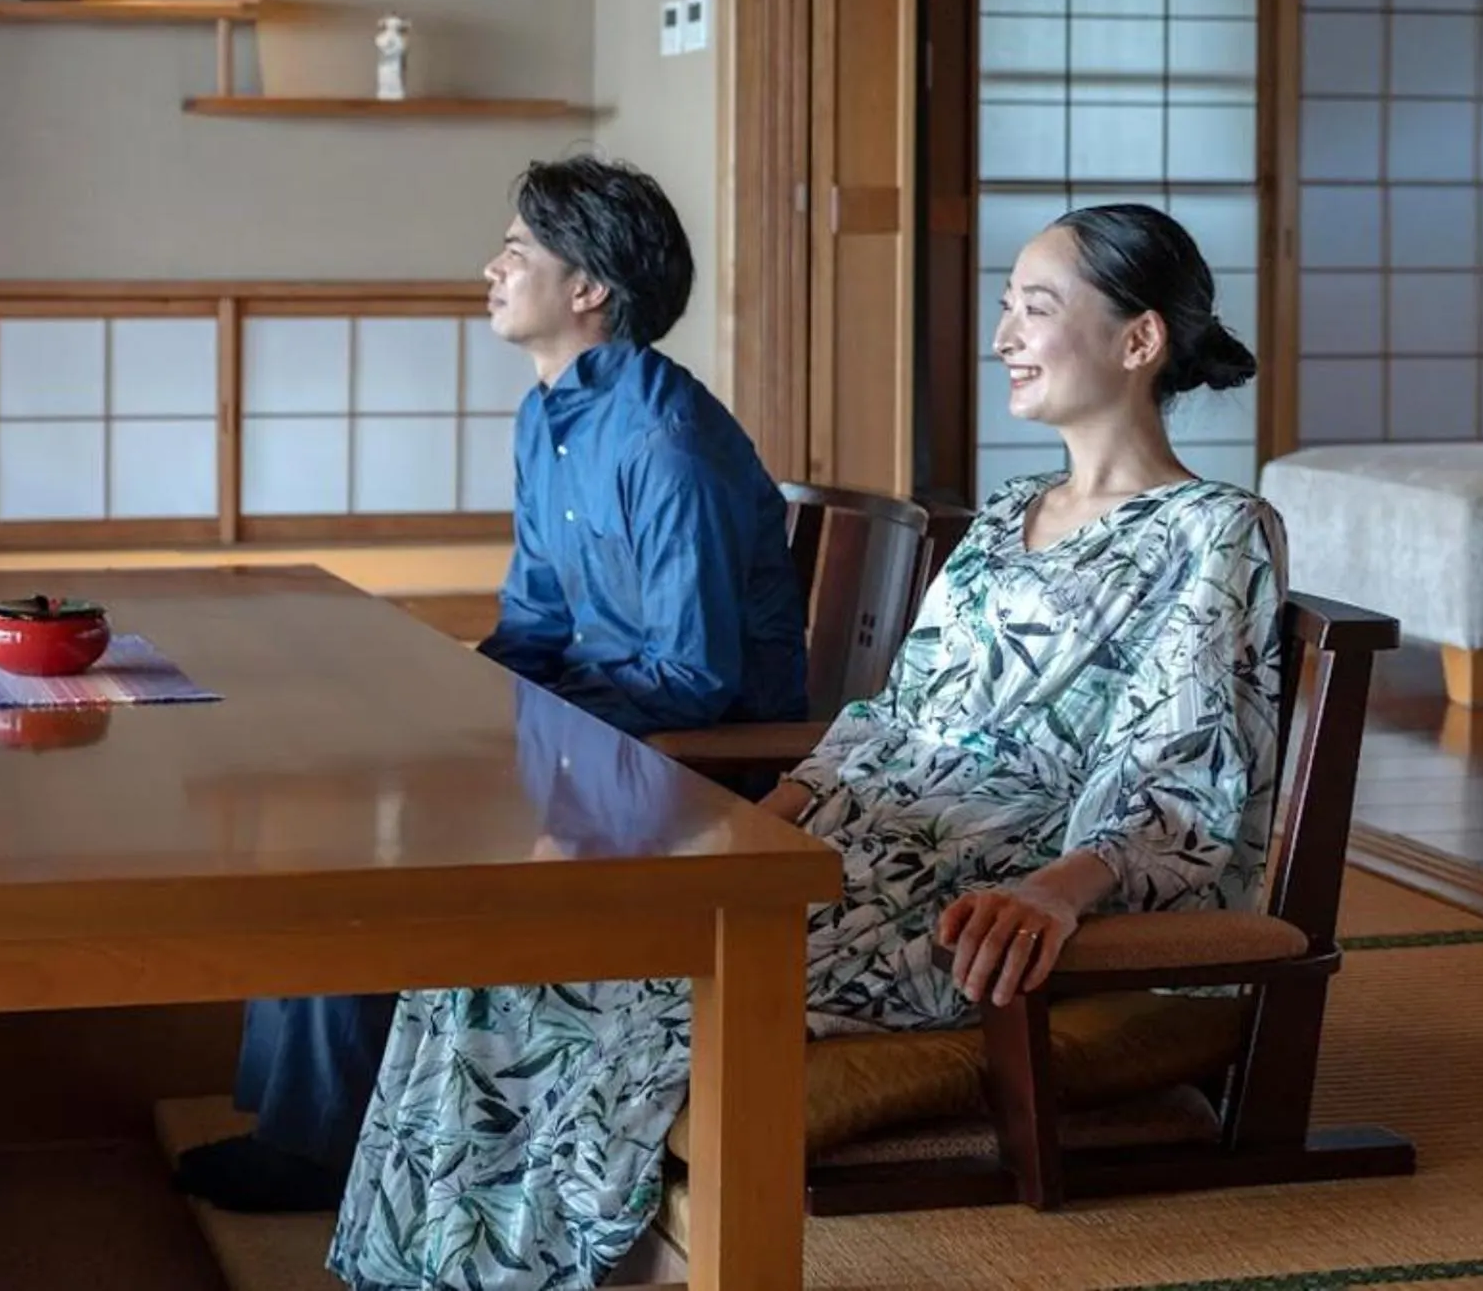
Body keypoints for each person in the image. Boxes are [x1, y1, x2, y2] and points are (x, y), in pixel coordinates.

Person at [326, 202, 1286, 1290]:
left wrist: (1057, 891)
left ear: (1139, 339)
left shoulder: (1217, 529)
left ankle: (538, 1265)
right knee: (494, 945)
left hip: (969, 895)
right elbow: (885, 722)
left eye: (1036, 307)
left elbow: (1184, 771)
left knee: (589, 979)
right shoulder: (1007, 511)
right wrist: (743, 828)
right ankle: (424, 1270)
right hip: (846, 848)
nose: (1003, 335)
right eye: (1005, 307)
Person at [173, 155, 810, 1217]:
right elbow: (535, 625)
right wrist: (448, 708)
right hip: (591, 736)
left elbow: (696, 678)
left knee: (373, 854)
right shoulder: (547, 415)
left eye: (516, 250)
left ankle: (321, 1145)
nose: (491, 267)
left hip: (687, 773)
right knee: (333, 808)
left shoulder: (666, 442)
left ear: (588, 288)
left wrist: (505, 735)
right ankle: (312, 1123)